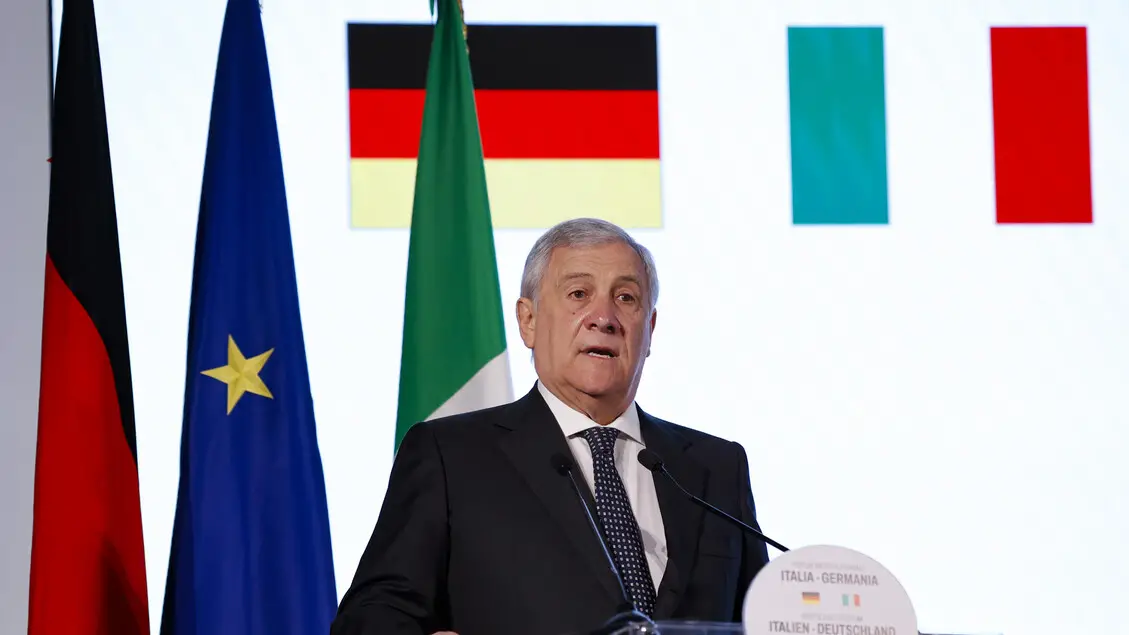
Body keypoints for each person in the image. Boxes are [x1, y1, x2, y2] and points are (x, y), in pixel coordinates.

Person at [331, 218, 771, 635]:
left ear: (650, 328)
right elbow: (370, 616)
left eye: (626, 298)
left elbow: (763, 618)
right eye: (579, 293)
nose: (604, 317)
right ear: (528, 321)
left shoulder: (717, 468)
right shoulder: (451, 457)